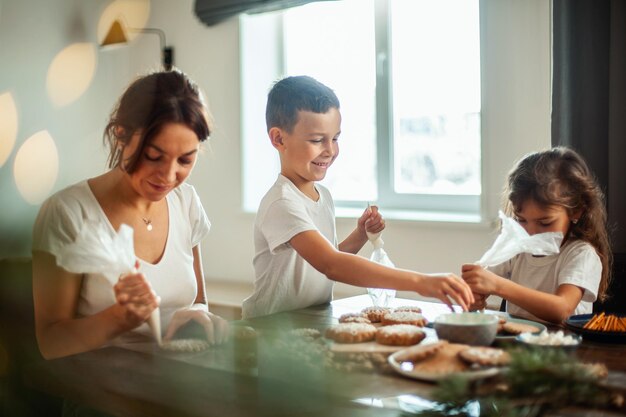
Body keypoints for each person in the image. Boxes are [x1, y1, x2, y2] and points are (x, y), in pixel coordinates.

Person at [32, 70, 229, 360]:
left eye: (186, 159)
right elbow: (50, 343)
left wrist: (199, 316)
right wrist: (119, 319)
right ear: (120, 134)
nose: (169, 176)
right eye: (154, 156)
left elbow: (198, 300)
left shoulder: (186, 202)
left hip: (181, 382)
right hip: (103, 395)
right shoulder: (68, 212)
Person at [241, 75, 474, 319]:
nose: (330, 150)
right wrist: (421, 282)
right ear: (279, 138)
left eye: (335, 138)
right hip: (269, 329)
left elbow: (322, 260)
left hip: (306, 323)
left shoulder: (323, 195)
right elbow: (331, 265)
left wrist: (360, 235)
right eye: (317, 140)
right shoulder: (282, 203)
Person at [461, 147, 611, 324]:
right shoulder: (518, 247)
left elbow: (562, 309)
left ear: (576, 211)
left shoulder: (581, 254)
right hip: (519, 345)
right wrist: (474, 295)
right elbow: (482, 284)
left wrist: (497, 285)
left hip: (564, 348)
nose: (530, 232)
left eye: (545, 222)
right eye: (521, 220)